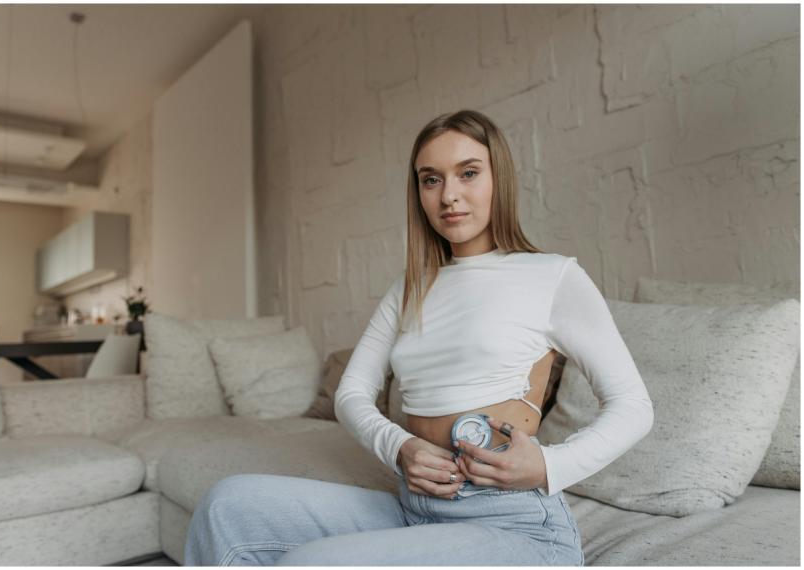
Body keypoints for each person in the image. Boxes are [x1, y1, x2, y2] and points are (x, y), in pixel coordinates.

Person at [184, 109, 655, 566]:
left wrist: (550, 467)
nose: (449, 195)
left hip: (514, 527)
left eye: (468, 173)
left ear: (499, 180)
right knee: (227, 505)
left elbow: (633, 405)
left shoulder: (552, 276)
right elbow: (352, 392)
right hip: (415, 508)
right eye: (431, 179)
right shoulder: (409, 287)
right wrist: (398, 446)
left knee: (315, 563)